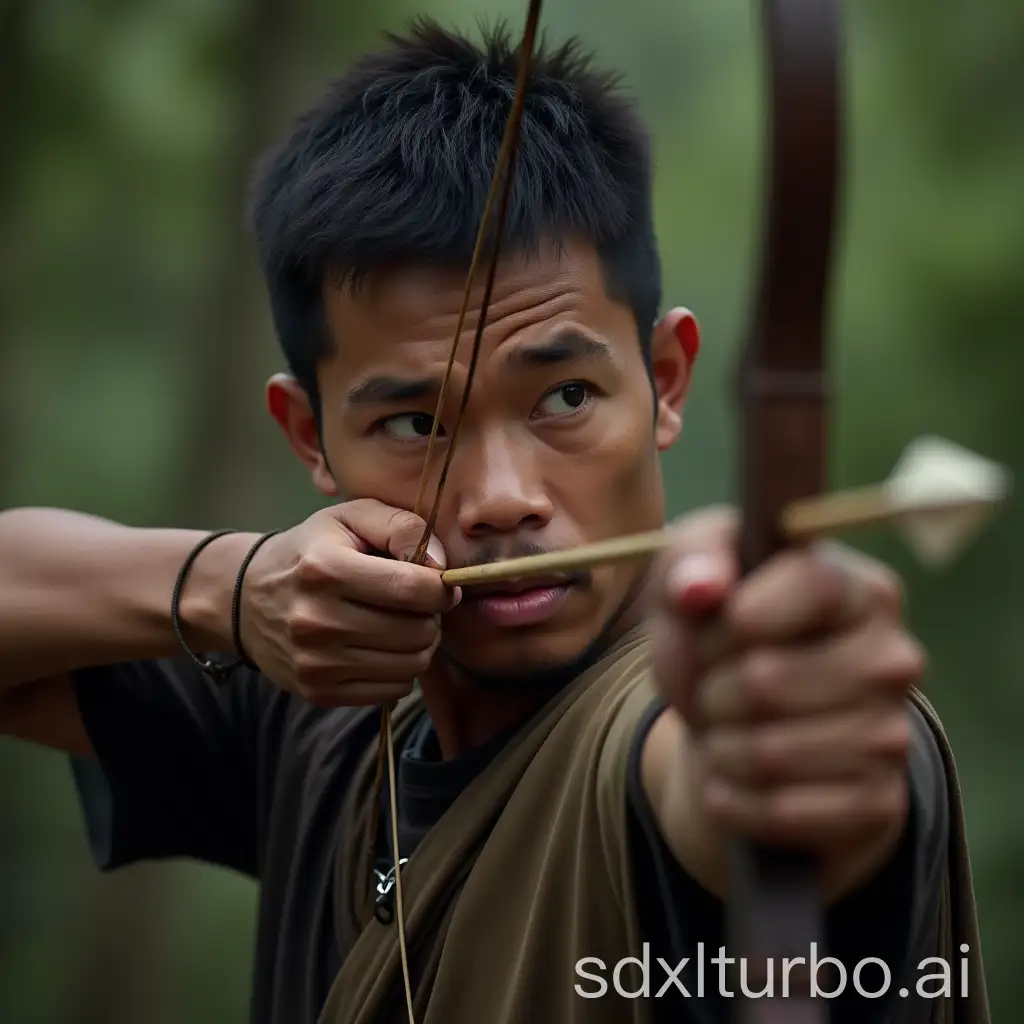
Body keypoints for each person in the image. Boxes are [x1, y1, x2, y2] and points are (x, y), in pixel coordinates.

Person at [0, 19, 988, 1024]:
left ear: (663, 380)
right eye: (416, 421)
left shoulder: (661, 732)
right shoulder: (321, 697)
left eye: (563, 397)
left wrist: (792, 742)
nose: (501, 496)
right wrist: (227, 588)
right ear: (309, 436)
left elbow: (729, 797)